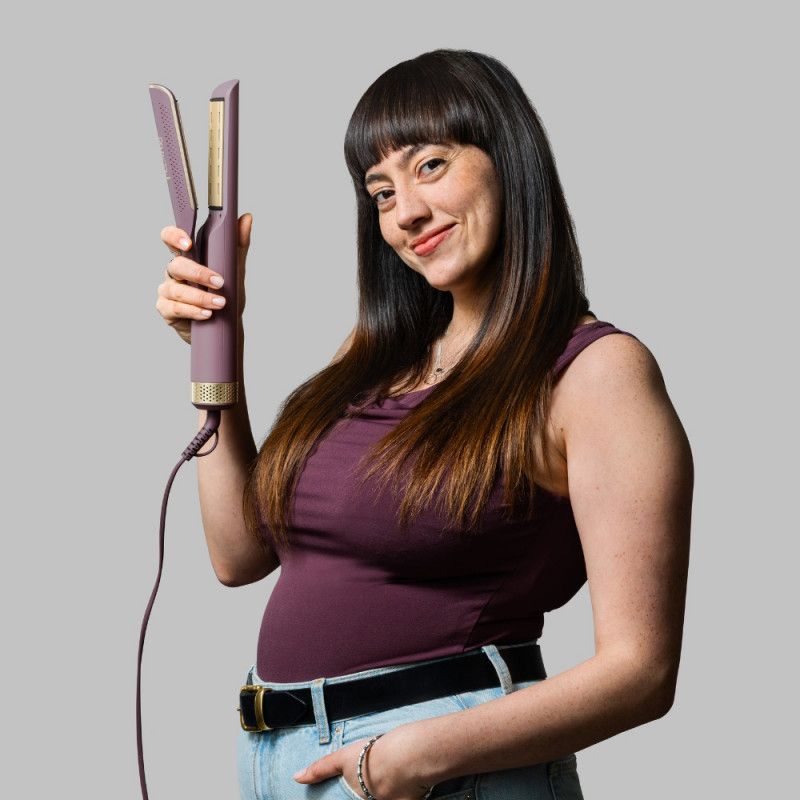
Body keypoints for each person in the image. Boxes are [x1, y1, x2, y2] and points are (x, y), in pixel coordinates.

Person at [155, 49, 693, 800]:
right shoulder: (375, 359)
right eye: (380, 192)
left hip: (435, 770)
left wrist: (409, 757)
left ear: (508, 160)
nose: (404, 211)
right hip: (279, 762)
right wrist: (218, 349)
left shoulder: (595, 373)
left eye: (430, 166)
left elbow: (641, 672)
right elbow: (238, 554)